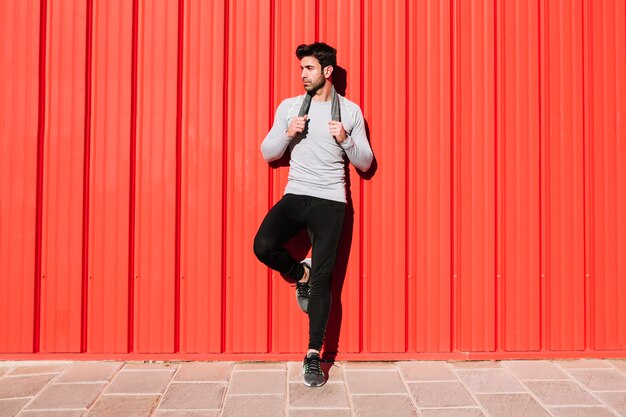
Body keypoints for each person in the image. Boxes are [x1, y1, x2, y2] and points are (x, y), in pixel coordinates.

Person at [253, 42, 373, 387]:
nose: (303, 75)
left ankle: (312, 356)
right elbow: (267, 153)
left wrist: (347, 140)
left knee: (324, 279)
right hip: (296, 193)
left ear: (327, 72)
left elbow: (366, 163)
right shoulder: (290, 107)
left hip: (331, 201)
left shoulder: (349, 111)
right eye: (301, 69)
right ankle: (297, 274)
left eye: (308, 68)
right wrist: (288, 133)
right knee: (263, 245)